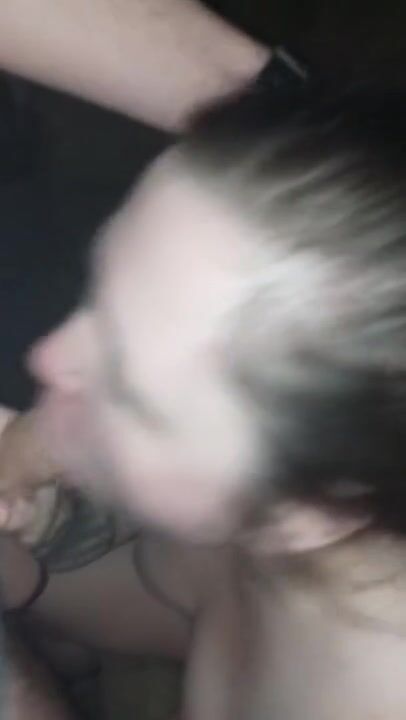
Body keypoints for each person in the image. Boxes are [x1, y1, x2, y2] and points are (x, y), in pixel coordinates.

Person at [3, 75, 406, 719]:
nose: (45, 357)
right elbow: (178, 599)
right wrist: (29, 573)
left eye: (130, 395)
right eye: (94, 290)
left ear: (308, 514)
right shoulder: (313, 527)